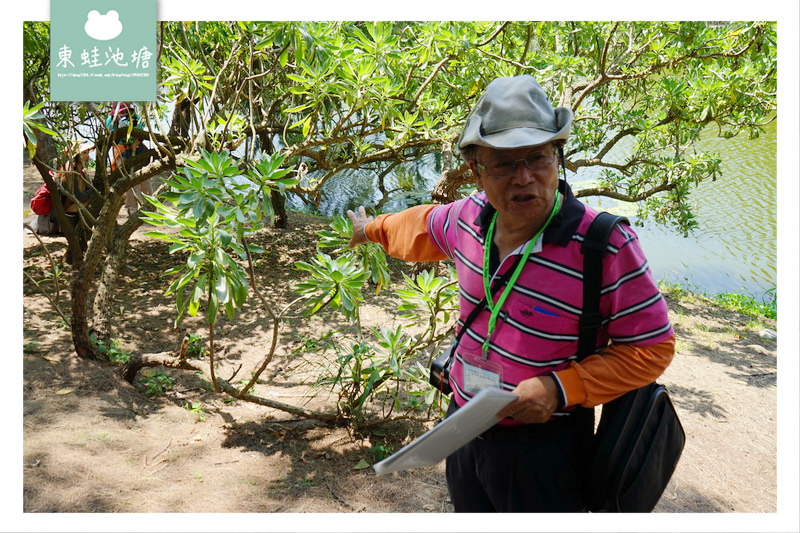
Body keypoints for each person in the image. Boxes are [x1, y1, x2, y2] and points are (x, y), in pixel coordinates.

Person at [347, 75, 675, 512]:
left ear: (557, 158)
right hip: (463, 429)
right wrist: (368, 229)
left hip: (546, 449)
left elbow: (652, 349)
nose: (523, 178)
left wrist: (560, 388)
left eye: (537, 158)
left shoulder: (605, 245)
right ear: (476, 170)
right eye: (503, 164)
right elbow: (416, 225)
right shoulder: (465, 218)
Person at [106, 102, 150, 215]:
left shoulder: (135, 117)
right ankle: (131, 209)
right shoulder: (110, 120)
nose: (125, 114)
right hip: (121, 151)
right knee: (125, 180)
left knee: (144, 178)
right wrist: (119, 127)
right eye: (122, 112)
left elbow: (141, 129)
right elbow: (111, 136)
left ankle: (149, 207)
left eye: (126, 112)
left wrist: (133, 129)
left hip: (137, 149)